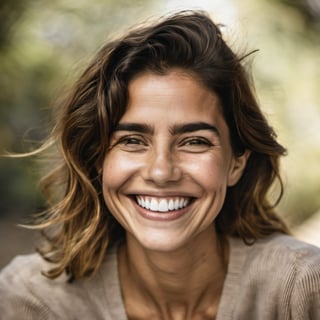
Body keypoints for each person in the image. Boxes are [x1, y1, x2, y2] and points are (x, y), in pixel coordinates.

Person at [0, 10, 319, 320]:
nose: (161, 171)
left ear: (236, 163)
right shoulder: (32, 302)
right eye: (132, 141)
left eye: (194, 141)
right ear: (98, 158)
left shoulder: (300, 293)